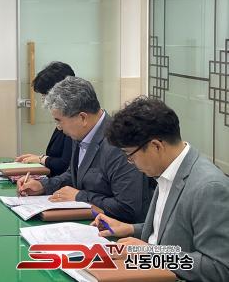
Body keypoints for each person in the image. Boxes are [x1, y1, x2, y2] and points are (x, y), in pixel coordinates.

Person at [92, 97, 229, 282]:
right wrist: (129, 228)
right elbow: (169, 230)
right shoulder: (168, 169)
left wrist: (150, 253)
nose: (131, 163)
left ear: (156, 146)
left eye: (130, 156)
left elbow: (217, 268)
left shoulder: (209, 188)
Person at [17, 76, 151, 222]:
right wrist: (43, 185)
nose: (59, 128)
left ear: (82, 118)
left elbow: (128, 208)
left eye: (59, 121)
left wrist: (79, 196)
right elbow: (74, 176)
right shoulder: (82, 133)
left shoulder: (118, 143)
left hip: (117, 229)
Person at [15, 61, 74, 176]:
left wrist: (41, 159)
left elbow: (66, 165)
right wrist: (39, 159)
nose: (43, 99)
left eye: (45, 94)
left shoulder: (73, 121)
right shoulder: (61, 117)